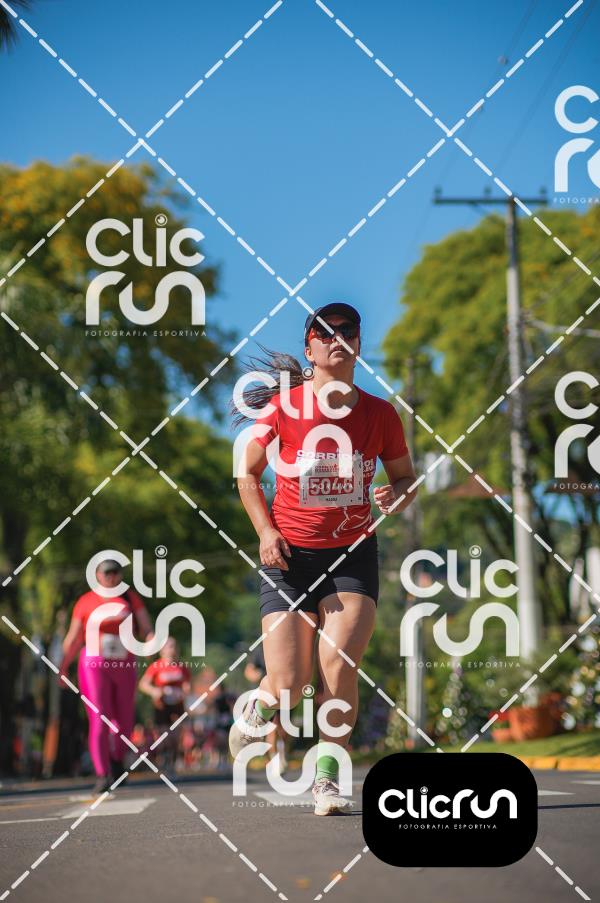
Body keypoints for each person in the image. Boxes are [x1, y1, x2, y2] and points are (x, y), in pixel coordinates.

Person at [229, 302, 417, 815]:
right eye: (325, 332)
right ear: (309, 349)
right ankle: (262, 704)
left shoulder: (380, 414)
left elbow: (406, 478)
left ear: (359, 344)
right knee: (291, 685)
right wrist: (265, 531)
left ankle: (328, 779)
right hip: (289, 558)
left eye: (348, 330)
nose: (338, 338)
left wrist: (397, 494)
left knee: (339, 666)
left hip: (352, 556)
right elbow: (247, 474)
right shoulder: (283, 407)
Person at [60, 558, 152, 794]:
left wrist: (152, 642)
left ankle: (117, 761)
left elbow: (146, 628)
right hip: (94, 664)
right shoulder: (85, 601)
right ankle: (102, 773)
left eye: (116, 572)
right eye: (107, 572)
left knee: (124, 720)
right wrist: (63, 666)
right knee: (99, 717)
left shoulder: (129, 598)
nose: (112, 576)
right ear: (97, 575)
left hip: (124, 664)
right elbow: (73, 637)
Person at [139, 636, 191, 775]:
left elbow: (187, 685)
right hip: (162, 706)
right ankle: (165, 760)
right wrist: (154, 691)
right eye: (169, 646)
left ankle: (172, 763)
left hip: (177, 706)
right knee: (164, 736)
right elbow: (143, 684)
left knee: (175, 737)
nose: (172, 649)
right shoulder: (156, 666)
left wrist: (185, 692)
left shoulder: (182, 667)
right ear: (162, 650)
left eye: (174, 646)